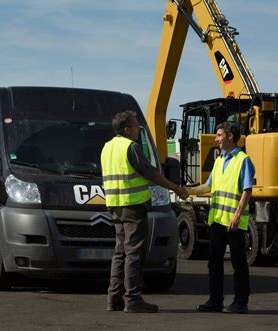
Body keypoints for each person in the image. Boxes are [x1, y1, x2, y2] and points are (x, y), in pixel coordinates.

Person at [101, 110, 188, 313]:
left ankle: (113, 298)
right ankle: (132, 299)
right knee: (134, 253)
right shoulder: (131, 147)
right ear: (127, 129)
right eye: (136, 125)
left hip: (116, 206)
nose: (138, 129)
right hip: (133, 206)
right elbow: (152, 174)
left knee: (120, 252)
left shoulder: (107, 148)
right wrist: (176, 188)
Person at [184, 122, 254, 314]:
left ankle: (241, 303)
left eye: (219, 135)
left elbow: (247, 191)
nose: (216, 139)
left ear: (230, 136)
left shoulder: (243, 160)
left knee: (238, 264)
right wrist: (185, 190)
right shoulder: (219, 161)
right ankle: (215, 301)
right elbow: (207, 187)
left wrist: (237, 216)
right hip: (217, 221)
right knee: (214, 262)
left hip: (233, 222)